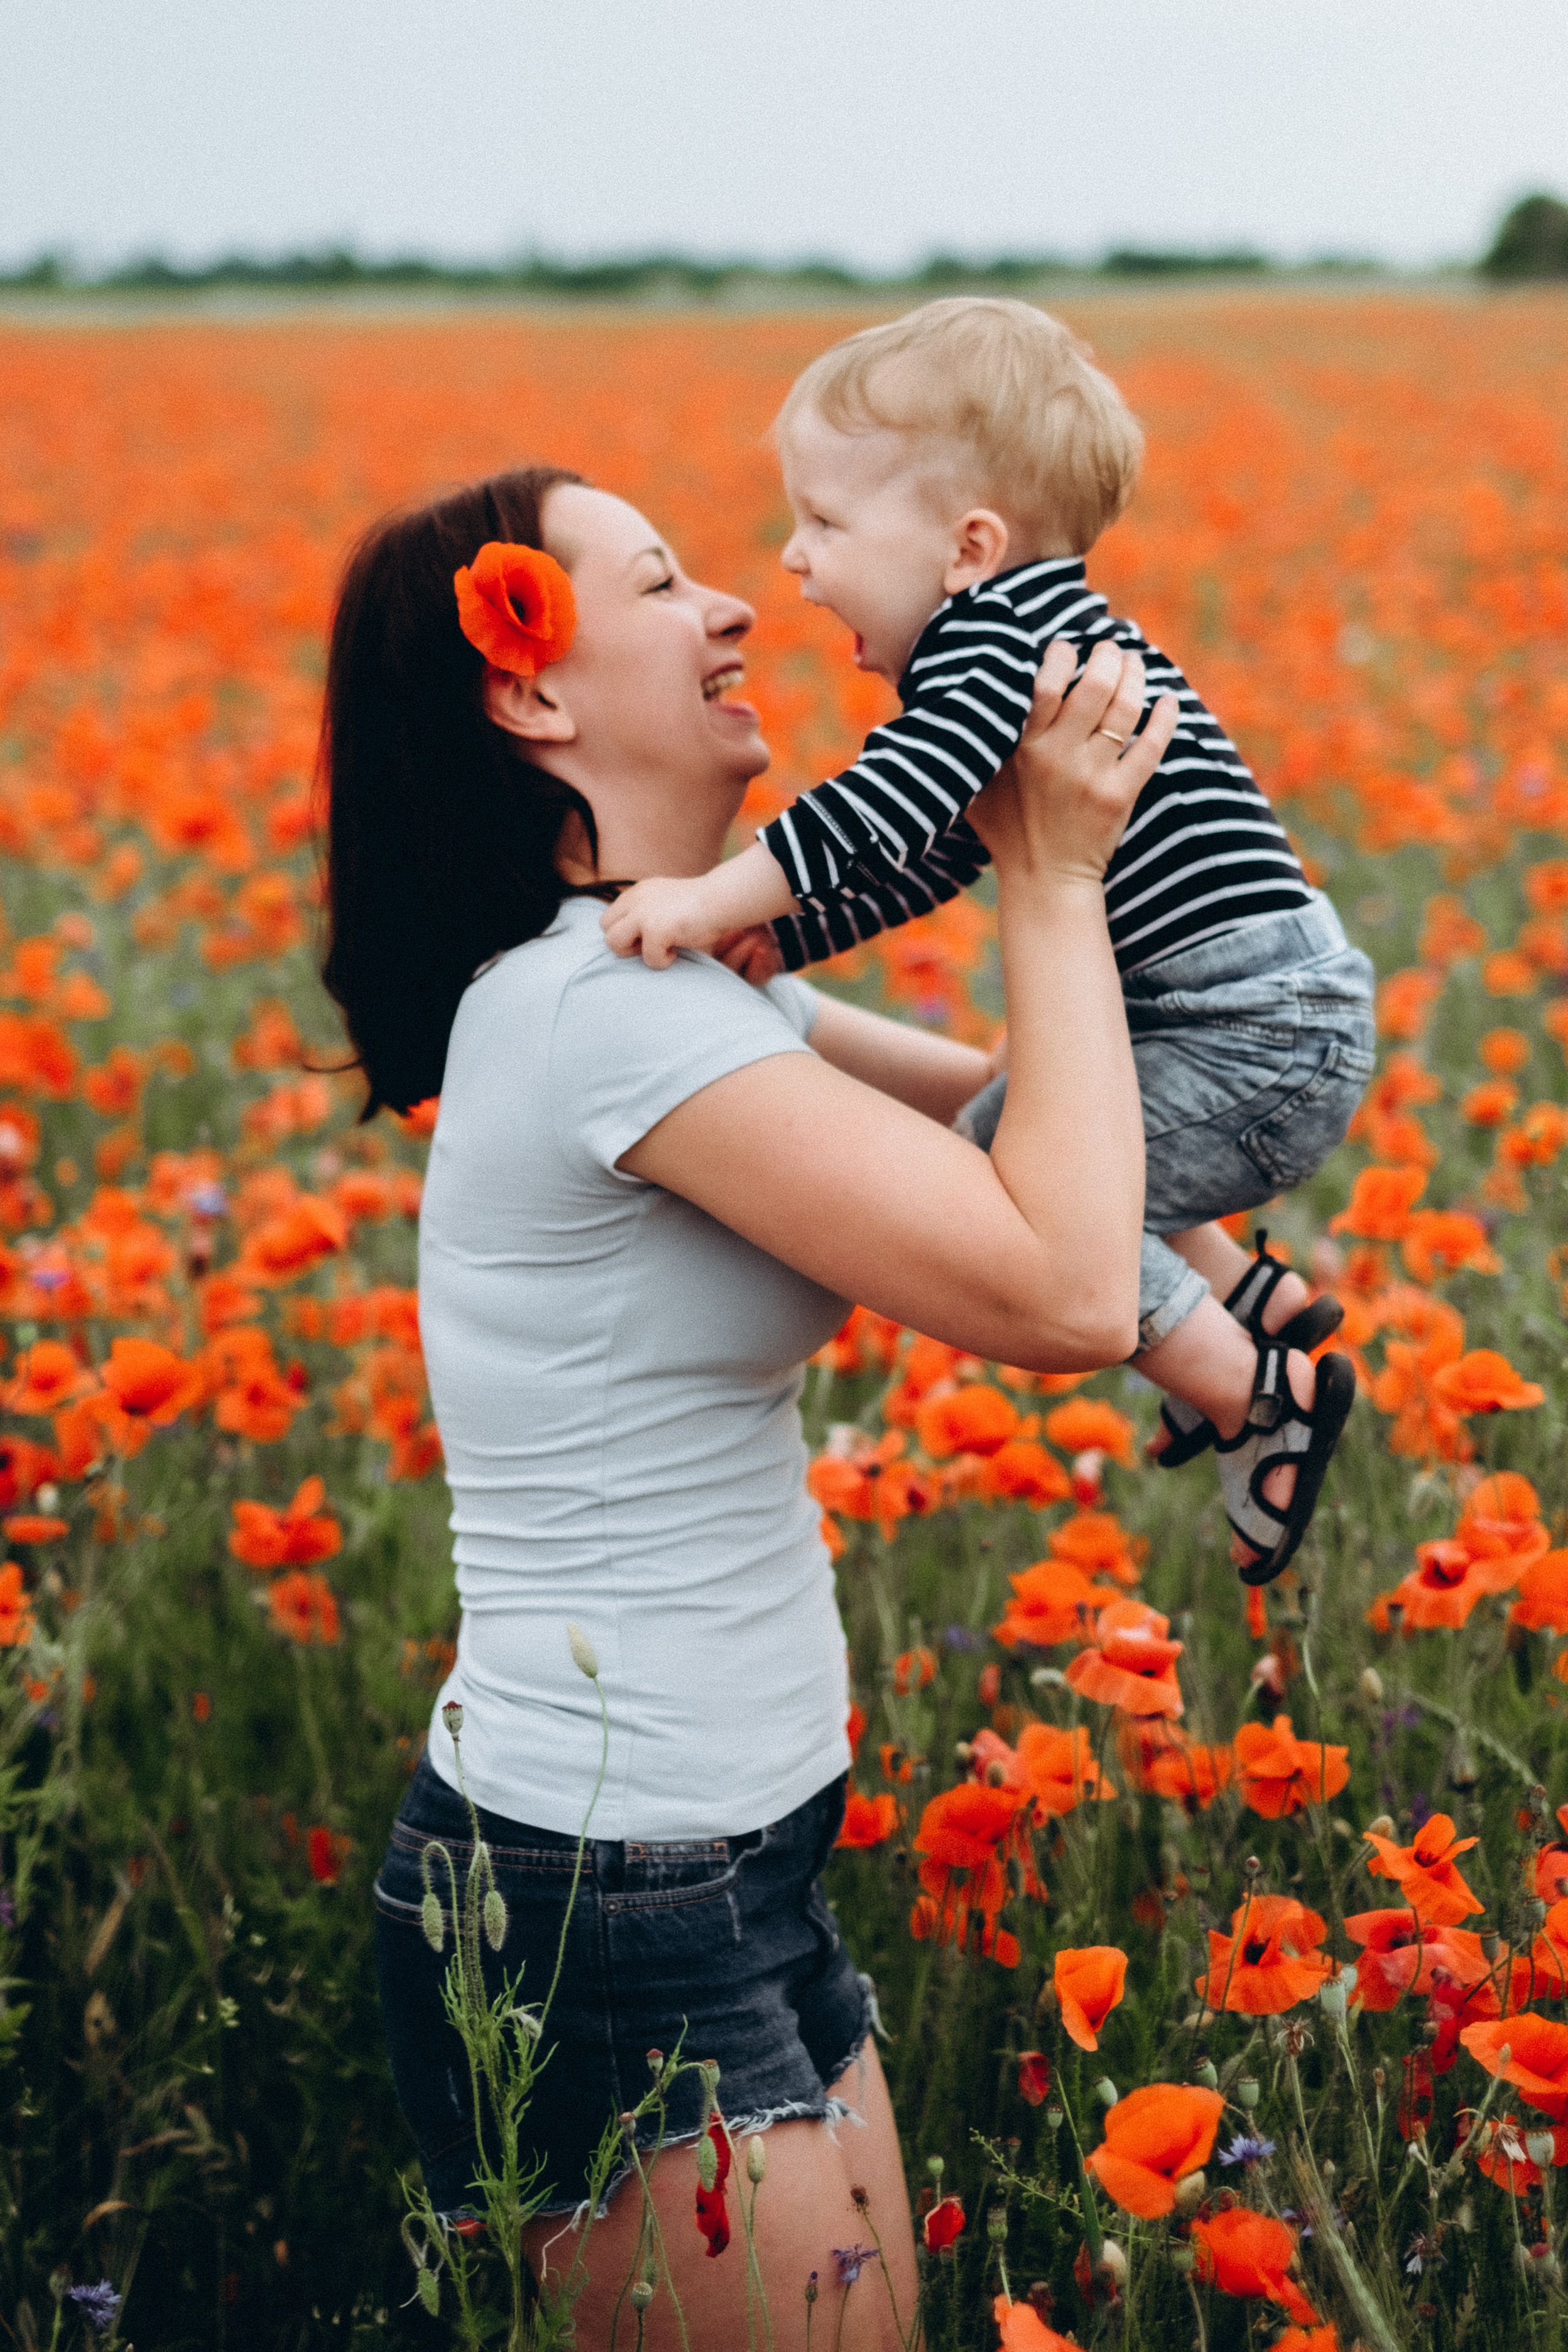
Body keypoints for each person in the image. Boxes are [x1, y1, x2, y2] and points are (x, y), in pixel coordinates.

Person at [322, 461, 1170, 2348]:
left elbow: (1065, 1147)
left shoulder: (688, 979)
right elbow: (1068, 1282)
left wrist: (1224, 961)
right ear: (530, 693)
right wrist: (1040, 869)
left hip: (724, 1857)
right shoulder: (606, 1015)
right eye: (666, 583)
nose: (737, 610)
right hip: (603, 1899)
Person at [601, 299, 1375, 1583]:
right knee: (1039, 1121)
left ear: (967, 546)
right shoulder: (1027, 640)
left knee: (1001, 1179)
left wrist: (709, 901)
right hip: (1257, 1016)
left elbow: (889, 802)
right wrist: (789, 940)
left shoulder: (995, 643)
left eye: (825, 524)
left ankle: (1252, 1394)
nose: (791, 561)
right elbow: (945, 851)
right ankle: (1256, 1303)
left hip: (1252, 1032)